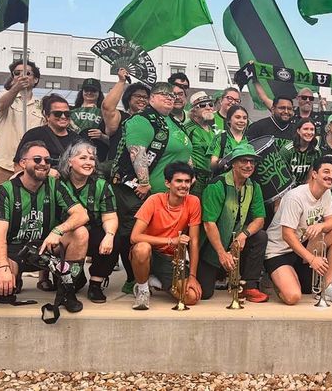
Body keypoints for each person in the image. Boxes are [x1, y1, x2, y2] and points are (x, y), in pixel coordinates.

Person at [0, 142, 89, 312]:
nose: (43, 163)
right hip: (13, 251)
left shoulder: (54, 185)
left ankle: (66, 291)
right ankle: (12, 279)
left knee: (80, 233)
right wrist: (3, 267)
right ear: (23, 163)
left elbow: (82, 214)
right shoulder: (5, 191)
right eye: (37, 159)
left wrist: (58, 230)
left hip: (45, 247)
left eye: (47, 160)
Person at [110, 82, 192, 295]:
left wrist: (189, 179)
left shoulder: (174, 122)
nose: (169, 97)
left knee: (161, 238)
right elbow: (137, 153)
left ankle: (155, 275)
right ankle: (134, 279)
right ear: (151, 98)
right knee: (132, 235)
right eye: (162, 94)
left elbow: (184, 154)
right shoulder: (142, 119)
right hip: (137, 191)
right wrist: (144, 183)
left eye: (172, 95)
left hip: (169, 195)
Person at [264, 155, 332, 305]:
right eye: (326, 172)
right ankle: (276, 279)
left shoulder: (326, 192)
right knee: (293, 297)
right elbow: (287, 235)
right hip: (279, 250)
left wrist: (320, 226)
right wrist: (312, 259)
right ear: (314, 174)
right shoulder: (295, 197)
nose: (330, 176)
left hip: (301, 247)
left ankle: (326, 286)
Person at [199, 144, 268, 303]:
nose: (249, 165)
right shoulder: (217, 185)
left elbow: (260, 219)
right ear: (233, 164)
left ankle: (249, 286)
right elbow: (209, 223)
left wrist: (244, 235)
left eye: (252, 162)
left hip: (237, 243)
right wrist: (222, 253)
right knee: (204, 293)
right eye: (244, 161)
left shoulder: (254, 186)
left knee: (260, 237)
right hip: (212, 248)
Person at [129, 161, 202, 310]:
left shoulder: (194, 202)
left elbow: (194, 241)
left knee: (191, 298)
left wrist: (193, 277)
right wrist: (171, 241)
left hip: (172, 259)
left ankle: (155, 281)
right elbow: (135, 237)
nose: (184, 185)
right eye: (179, 181)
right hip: (151, 253)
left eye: (187, 181)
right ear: (168, 183)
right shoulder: (154, 200)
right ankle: (143, 290)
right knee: (142, 248)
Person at [57, 141, 119, 303]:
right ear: (70, 161)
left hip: (93, 231)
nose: (88, 162)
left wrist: (110, 235)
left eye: (91, 159)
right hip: (63, 236)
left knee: (113, 237)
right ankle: (76, 278)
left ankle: (96, 284)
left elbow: (110, 217)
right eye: (83, 157)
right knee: (72, 283)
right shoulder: (58, 183)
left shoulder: (101, 185)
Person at [0, 60, 45, 208]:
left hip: (29, 166)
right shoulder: (3, 95)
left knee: (25, 207)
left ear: (36, 79)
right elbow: (0, 106)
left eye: (27, 73)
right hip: (3, 163)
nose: (21, 76)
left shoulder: (42, 105)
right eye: (17, 73)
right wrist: (16, 88)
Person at [253, 84, 332, 136]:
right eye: (304, 98)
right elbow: (264, 98)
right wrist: (254, 79)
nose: (307, 100)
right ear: (298, 98)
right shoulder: (288, 113)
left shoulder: (321, 116)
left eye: (310, 98)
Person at [15, 94, 82, 171]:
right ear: (47, 116)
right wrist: (46, 172)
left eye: (67, 114)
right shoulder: (33, 135)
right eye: (57, 113)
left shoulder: (78, 140)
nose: (63, 117)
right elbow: (18, 166)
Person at [182, 90, 217, 201]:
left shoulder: (212, 130)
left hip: (211, 179)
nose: (208, 107)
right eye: (202, 105)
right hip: (195, 180)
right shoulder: (187, 128)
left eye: (210, 104)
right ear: (194, 110)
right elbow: (183, 152)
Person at [101, 68, 150, 141]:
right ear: (128, 98)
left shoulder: (151, 119)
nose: (142, 99)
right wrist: (121, 81)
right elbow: (107, 107)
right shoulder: (120, 117)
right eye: (138, 96)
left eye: (145, 97)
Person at [70, 78, 110, 161]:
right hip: (74, 154)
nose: (89, 93)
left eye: (93, 90)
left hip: (98, 157)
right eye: (86, 90)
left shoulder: (106, 114)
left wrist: (102, 136)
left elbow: (114, 142)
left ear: (99, 93)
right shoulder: (70, 112)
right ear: (82, 92)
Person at [279, 120, 322, 186]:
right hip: (287, 186)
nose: (309, 132)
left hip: (305, 187)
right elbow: (281, 174)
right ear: (298, 131)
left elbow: (312, 176)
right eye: (305, 129)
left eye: (312, 129)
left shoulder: (316, 151)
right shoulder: (287, 150)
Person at [209, 105, 251, 170]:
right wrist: (221, 163)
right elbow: (212, 165)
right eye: (237, 117)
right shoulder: (220, 137)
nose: (242, 121)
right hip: (223, 178)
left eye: (245, 118)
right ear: (229, 120)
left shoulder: (249, 140)